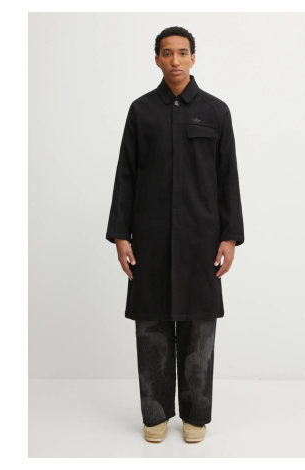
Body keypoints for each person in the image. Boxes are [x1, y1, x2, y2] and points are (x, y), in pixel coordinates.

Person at [106, 26, 245, 443]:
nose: (175, 61)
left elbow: (227, 177)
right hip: (149, 239)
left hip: (202, 240)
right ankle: (154, 414)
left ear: (193, 58)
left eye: (182, 53)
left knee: (200, 329)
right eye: (167, 53)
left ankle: (195, 416)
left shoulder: (216, 111)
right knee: (151, 327)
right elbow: (126, 175)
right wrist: (121, 235)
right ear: (157, 60)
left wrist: (230, 236)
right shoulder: (141, 111)